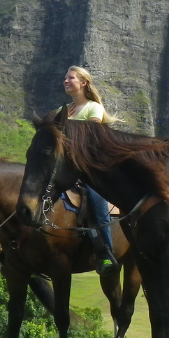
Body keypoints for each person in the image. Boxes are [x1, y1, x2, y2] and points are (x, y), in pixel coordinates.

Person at [61, 66, 119, 276]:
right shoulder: (65, 110)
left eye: (71, 78)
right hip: (66, 166)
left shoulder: (94, 108)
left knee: (97, 200)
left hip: (88, 166)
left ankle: (106, 252)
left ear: (83, 83)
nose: (66, 81)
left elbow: (91, 138)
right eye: (65, 78)